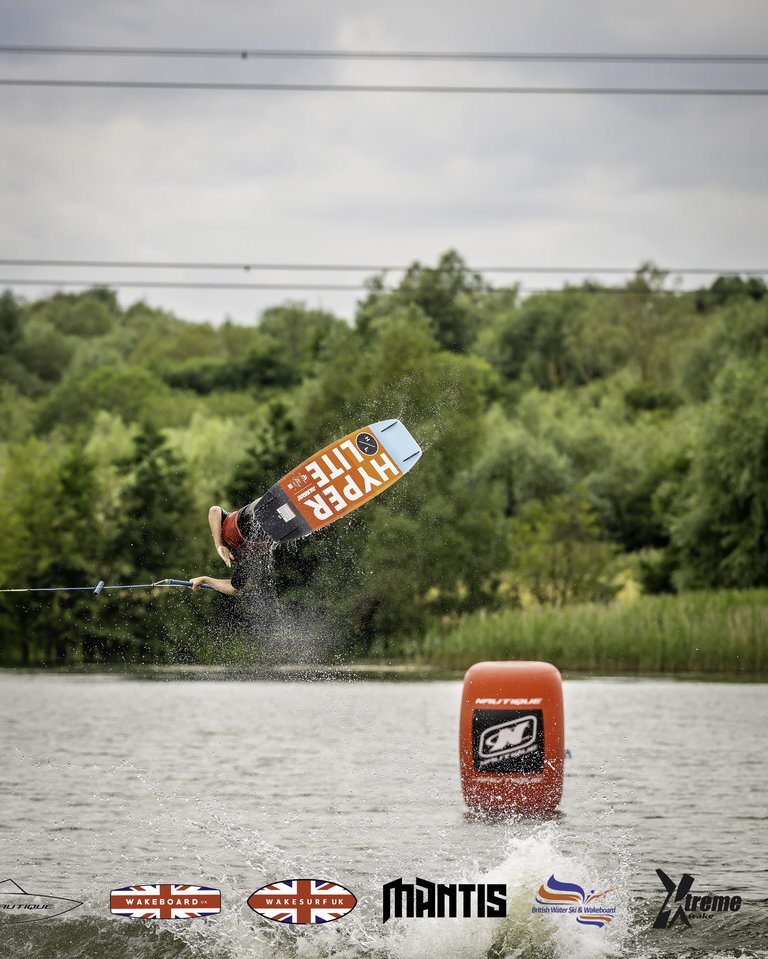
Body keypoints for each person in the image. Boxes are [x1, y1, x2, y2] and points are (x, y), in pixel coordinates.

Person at [190, 501, 273, 595]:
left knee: (262, 511)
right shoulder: (245, 560)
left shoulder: (224, 525)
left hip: (246, 518)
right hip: (273, 533)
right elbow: (233, 589)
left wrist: (219, 545)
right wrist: (205, 580)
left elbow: (214, 510)